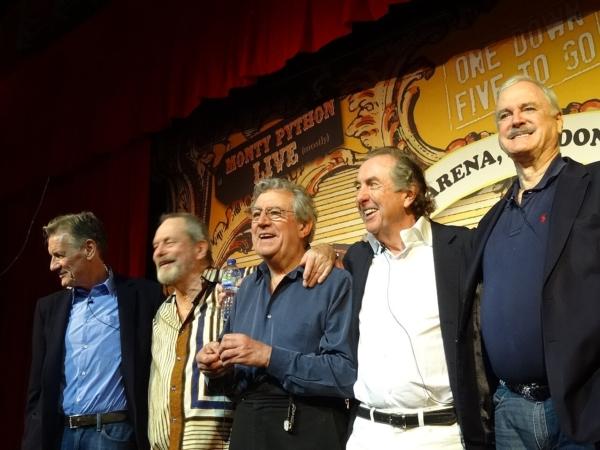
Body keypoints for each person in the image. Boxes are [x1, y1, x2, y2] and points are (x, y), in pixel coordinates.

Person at [458, 74, 600, 449]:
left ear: (558, 120)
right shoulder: (490, 221)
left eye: (528, 108)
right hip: (510, 412)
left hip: (586, 407)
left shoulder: (595, 185)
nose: (515, 119)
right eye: (505, 114)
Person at [149, 211, 338, 450]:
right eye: (155, 245)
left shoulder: (242, 284)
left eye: (169, 242)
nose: (159, 252)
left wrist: (323, 250)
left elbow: (287, 266)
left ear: (199, 249)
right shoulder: (160, 313)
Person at [344, 147, 492, 449]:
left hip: (440, 435)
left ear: (409, 194)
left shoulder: (459, 248)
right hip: (367, 434)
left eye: (372, 184)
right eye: (357, 186)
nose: (360, 196)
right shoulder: (356, 259)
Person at [197, 178, 357, 450]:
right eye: (256, 215)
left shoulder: (334, 282)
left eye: (274, 213)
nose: (260, 222)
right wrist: (217, 368)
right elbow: (233, 384)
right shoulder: (245, 287)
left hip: (309, 430)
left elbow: (345, 374)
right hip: (248, 429)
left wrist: (269, 356)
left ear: (304, 226)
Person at [22, 212, 164, 450]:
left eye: (59, 255)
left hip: (113, 436)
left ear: (89, 249)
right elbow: (37, 388)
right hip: (62, 435)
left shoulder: (145, 296)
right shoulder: (48, 308)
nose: (52, 266)